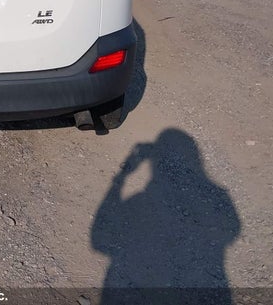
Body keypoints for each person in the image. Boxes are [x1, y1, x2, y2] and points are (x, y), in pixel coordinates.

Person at [91, 128, 240, 305]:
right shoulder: (218, 195)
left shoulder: (137, 202)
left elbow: (99, 241)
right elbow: (231, 231)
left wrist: (121, 178)